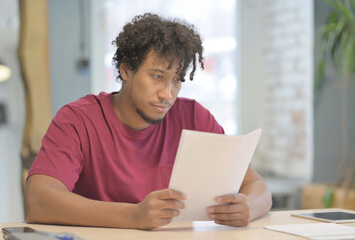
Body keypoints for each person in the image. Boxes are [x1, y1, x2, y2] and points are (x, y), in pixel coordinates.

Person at [24, 13, 272, 230]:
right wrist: (133, 216)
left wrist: (248, 207)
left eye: (177, 80)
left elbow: (257, 187)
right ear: (125, 70)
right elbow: (38, 200)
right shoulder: (78, 120)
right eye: (157, 76)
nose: (167, 94)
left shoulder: (195, 118)